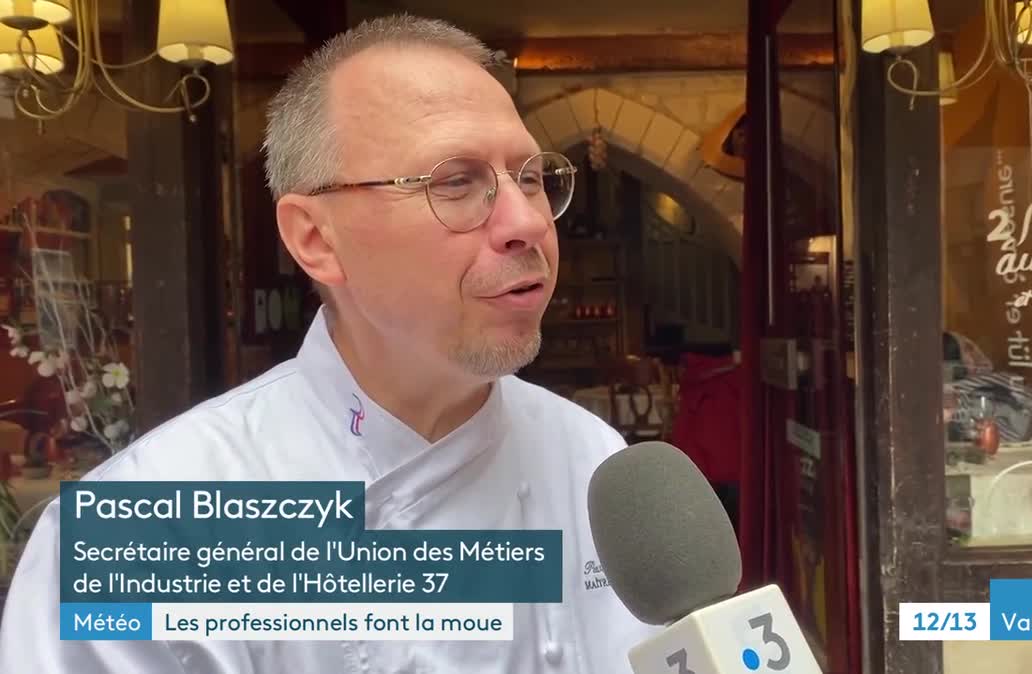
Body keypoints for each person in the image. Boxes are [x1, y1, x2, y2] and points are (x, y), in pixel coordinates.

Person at [0, 15, 657, 673]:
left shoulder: (593, 460)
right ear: (315, 238)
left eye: (532, 177)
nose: (526, 222)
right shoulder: (143, 535)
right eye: (456, 181)